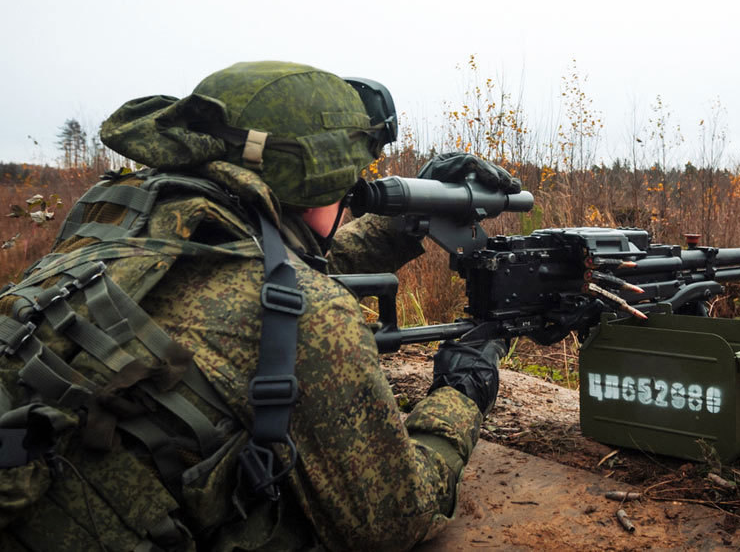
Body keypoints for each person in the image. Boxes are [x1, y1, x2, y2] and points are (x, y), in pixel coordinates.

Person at [0, 61, 515, 551]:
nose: (355, 191)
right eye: (347, 179)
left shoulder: (122, 223)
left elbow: (269, 268)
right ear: (314, 181)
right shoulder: (313, 319)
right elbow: (394, 519)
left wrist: (413, 213)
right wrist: (459, 393)